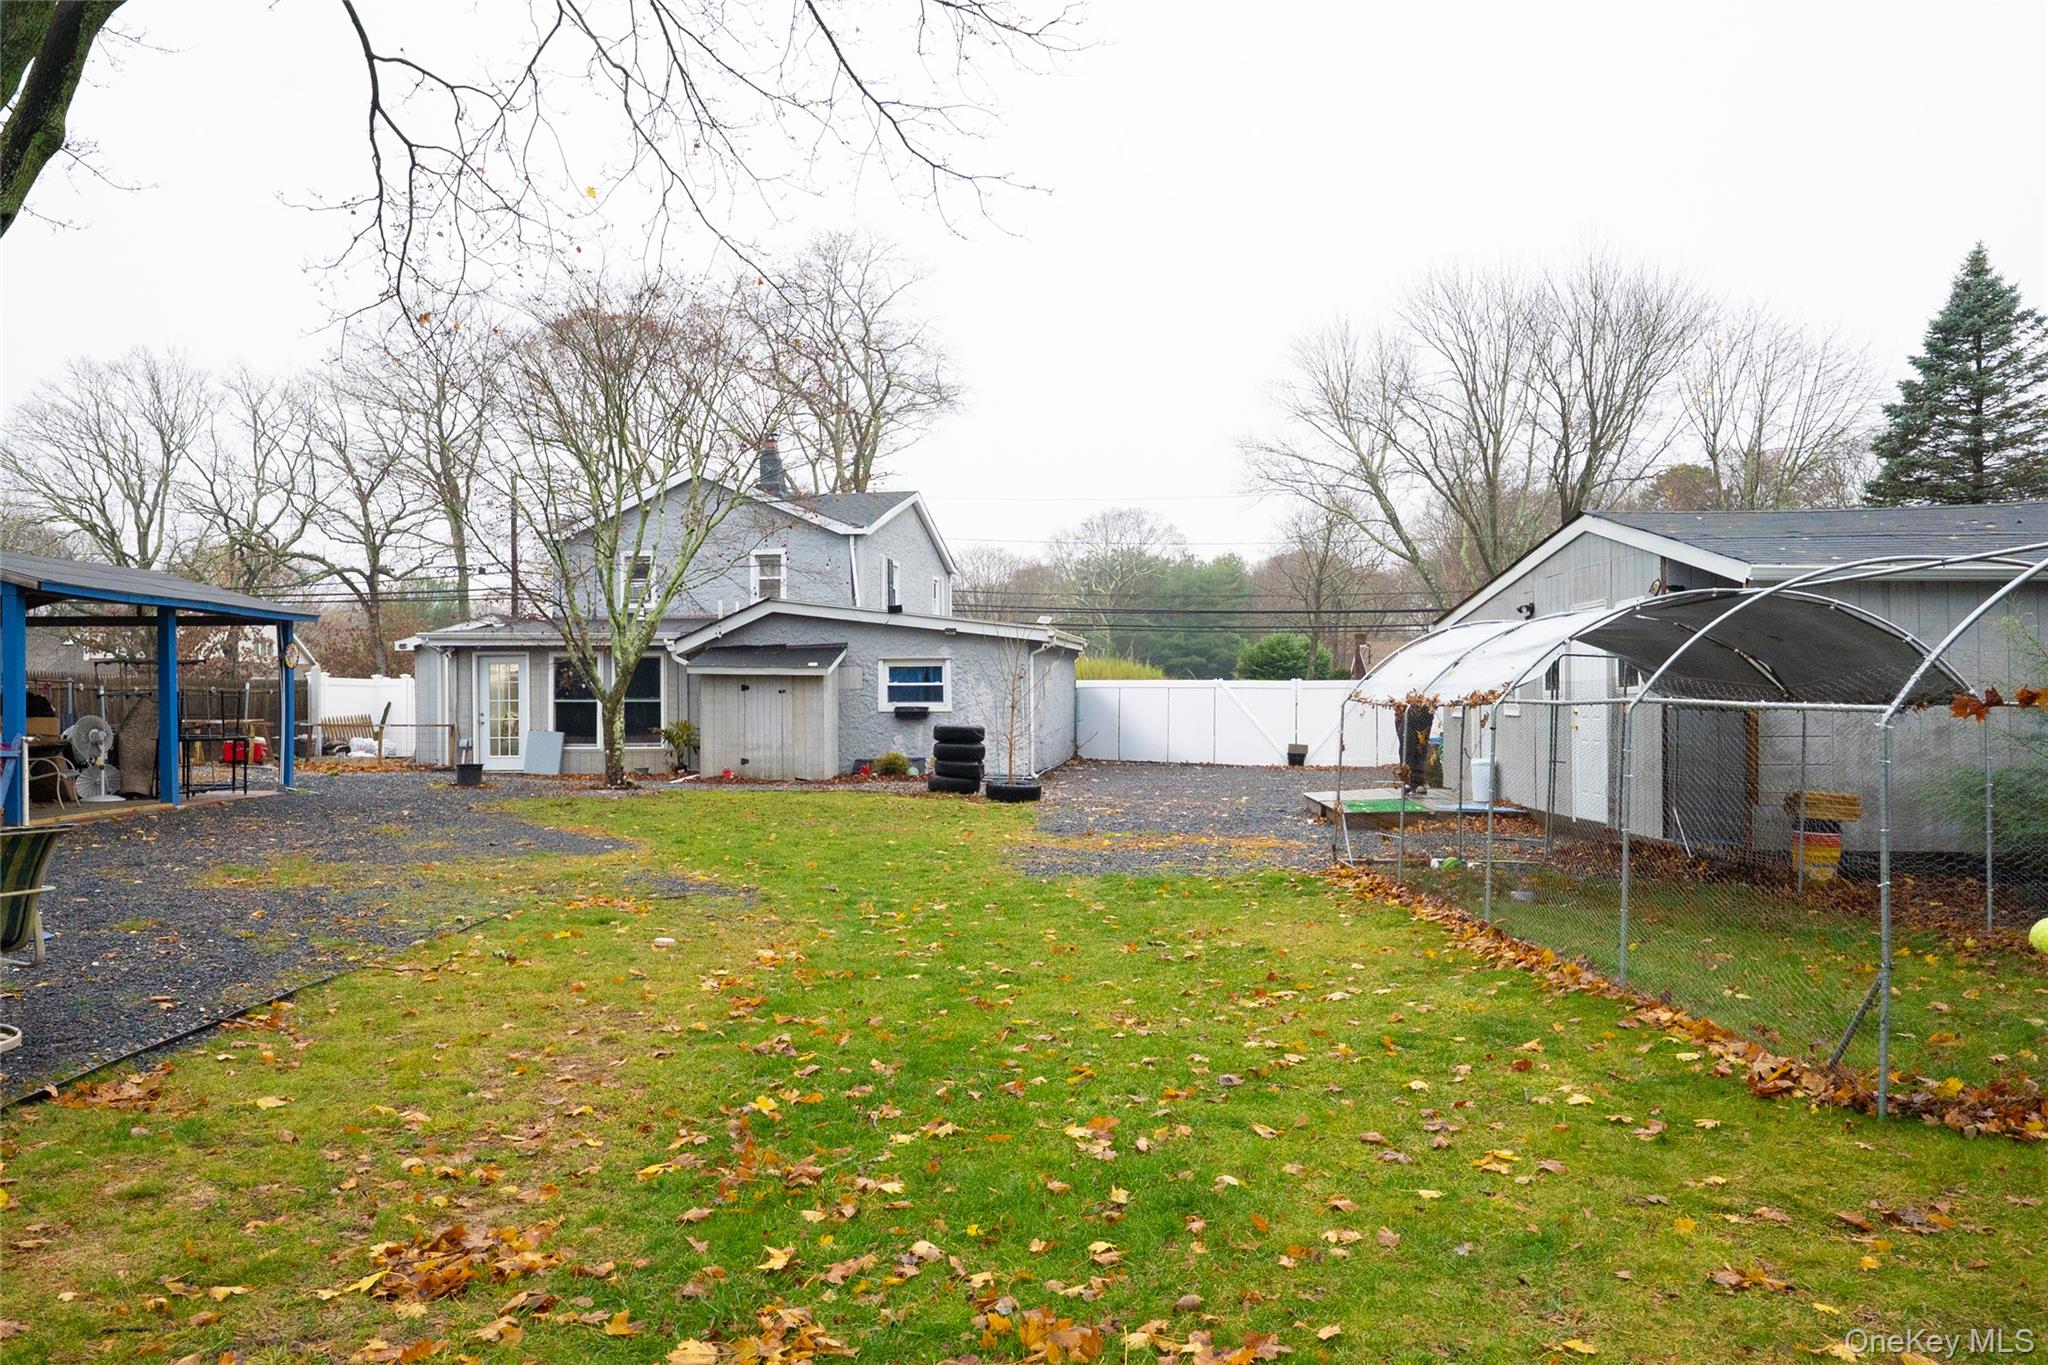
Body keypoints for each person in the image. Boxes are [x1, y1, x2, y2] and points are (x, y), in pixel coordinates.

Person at [1396, 701, 1434, 796]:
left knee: (1421, 750)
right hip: (1407, 716)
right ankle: (1407, 782)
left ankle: (1418, 783)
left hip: (1424, 718)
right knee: (1406, 749)